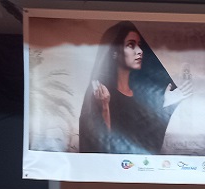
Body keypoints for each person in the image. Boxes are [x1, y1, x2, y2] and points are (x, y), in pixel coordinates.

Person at [79, 21, 192, 154]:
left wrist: (166, 104)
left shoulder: (140, 98)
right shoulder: (101, 93)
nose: (139, 51)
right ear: (115, 52)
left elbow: (146, 143)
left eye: (139, 45)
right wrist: (104, 107)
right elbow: (103, 146)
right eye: (130, 45)